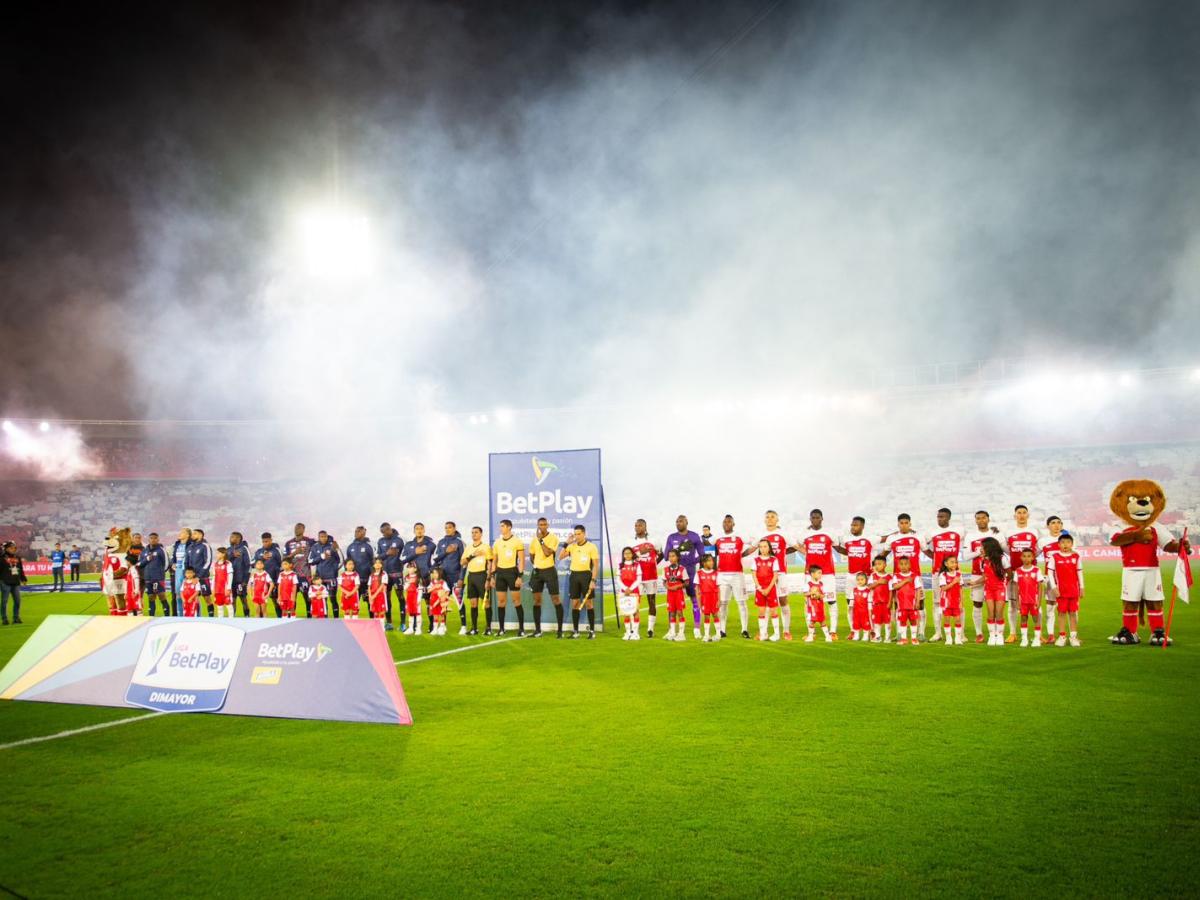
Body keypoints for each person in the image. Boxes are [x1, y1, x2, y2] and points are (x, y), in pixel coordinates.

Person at [744, 510, 795, 640]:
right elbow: (753, 548)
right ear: (764, 520)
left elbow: (795, 546)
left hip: (781, 572)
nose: (770, 519)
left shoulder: (784, 533)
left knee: (783, 600)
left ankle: (786, 631)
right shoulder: (761, 534)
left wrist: (786, 551)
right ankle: (764, 632)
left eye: (772, 517)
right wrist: (739, 555)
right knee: (765, 604)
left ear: (777, 519)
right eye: (767, 517)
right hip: (764, 575)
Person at [797, 510, 839, 639]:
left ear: (822, 519)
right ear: (810, 519)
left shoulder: (830, 533)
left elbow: (837, 546)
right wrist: (807, 553)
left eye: (817, 518)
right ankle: (812, 632)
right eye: (813, 518)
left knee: (831, 601)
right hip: (810, 574)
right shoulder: (804, 534)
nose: (815, 520)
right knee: (808, 602)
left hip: (827, 573)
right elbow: (798, 545)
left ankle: (832, 632)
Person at [965, 510, 1004, 643]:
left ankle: (998, 634)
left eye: (983, 518)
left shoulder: (996, 534)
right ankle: (979, 633)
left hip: (994, 576)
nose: (981, 520)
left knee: (996, 606)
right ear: (975, 520)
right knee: (977, 603)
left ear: (988, 519)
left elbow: (1003, 551)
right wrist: (979, 552)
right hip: (977, 573)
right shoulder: (970, 536)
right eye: (978, 518)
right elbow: (965, 556)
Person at [1004, 505, 1041, 643]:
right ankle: (1013, 633)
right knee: (1013, 605)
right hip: (1014, 572)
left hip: (1032, 574)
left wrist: (1029, 560)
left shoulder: (1035, 531)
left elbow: (1038, 550)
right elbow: (1007, 549)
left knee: (1036, 604)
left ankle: (1038, 634)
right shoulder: (1009, 532)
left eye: (1024, 512)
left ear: (1028, 515)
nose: (1021, 515)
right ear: (1015, 516)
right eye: (1018, 513)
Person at [925, 508, 963, 642]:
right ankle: (938, 632)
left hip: (954, 572)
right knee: (937, 603)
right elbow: (923, 546)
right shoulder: (931, 532)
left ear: (949, 518)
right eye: (938, 517)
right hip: (937, 572)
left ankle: (960, 634)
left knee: (958, 603)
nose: (940, 519)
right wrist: (934, 557)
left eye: (942, 517)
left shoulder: (959, 531)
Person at [664, 515, 704, 639]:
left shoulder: (694, 536)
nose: (678, 523)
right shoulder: (671, 537)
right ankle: (672, 631)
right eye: (677, 521)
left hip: (690, 572)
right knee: (672, 603)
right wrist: (677, 553)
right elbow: (666, 556)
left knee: (694, 601)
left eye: (681, 521)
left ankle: (697, 629)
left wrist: (693, 561)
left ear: (687, 522)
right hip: (675, 574)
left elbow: (702, 554)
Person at [559, 524, 600, 639]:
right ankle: (575, 631)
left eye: (579, 534)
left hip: (586, 576)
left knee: (589, 603)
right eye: (575, 534)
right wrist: (567, 543)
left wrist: (593, 580)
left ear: (584, 534)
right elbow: (560, 557)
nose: (576, 536)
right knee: (575, 604)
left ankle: (592, 631)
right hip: (574, 576)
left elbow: (596, 566)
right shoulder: (572, 546)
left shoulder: (591, 547)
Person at [714, 515, 749, 638]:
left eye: (729, 521)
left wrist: (742, 555)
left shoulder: (740, 536)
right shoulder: (717, 538)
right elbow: (711, 551)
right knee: (723, 603)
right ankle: (722, 630)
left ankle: (744, 629)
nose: (726, 523)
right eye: (724, 522)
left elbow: (755, 543)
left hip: (737, 574)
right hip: (722, 574)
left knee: (741, 602)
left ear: (733, 524)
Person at [526, 517, 562, 638]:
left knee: (556, 599)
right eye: (540, 524)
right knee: (537, 600)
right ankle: (537, 630)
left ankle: (560, 631)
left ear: (548, 525)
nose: (542, 526)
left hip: (549, 571)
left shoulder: (553, 538)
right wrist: (537, 564)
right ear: (537, 525)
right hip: (537, 572)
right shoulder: (533, 540)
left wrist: (541, 541)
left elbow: (547, 553)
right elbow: (531, 556)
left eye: (544, 524)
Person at [489, 519, 525, 636]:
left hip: (512, 573)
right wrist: (493, 577)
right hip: (500, 574)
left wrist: (520, 576)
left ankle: (521, 629)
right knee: (501, 602)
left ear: (509, 527)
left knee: (516, 601)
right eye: (500, 526)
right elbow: (494, 561)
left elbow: (521, 561)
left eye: (503, 526)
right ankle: (501, 629)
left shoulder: (517, 541)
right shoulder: (497, 542)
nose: (501, 528)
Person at [1047, 533, 1084, 646]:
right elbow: (1050, 572)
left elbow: (1079, 572)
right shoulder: (1055, 557)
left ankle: (1073, 637)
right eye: (1062, 542)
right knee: (1061, 613)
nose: (1065, 545)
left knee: (1073, 613)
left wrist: (1082, 587)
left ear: (1072, 544)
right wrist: (1054, 587)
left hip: (1073, 590)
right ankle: (1062, 636)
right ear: (1058, 544)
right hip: (1061, 591)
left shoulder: (1076, 557)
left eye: (1068, 542)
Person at [835, 516, 873, 619]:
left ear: (862, 526)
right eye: (852, 525)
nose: (853, 527)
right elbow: (840, 549)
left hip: (866, 576)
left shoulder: (870, 538)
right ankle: (853, 628)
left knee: (869, 602)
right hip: (851, 575)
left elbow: (885, 538)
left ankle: (869, 627)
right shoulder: (847, 539)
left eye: (855, 525)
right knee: (849, 600)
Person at [402, 523, 438, 631]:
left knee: (428, 601)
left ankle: (431, 625)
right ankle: (413, 626)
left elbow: (436, 559)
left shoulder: (431, 544)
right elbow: (403, 559)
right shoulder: (408, 545)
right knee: (413, 601)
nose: (419, 531)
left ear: (424, 530)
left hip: (426, 576)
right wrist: (415, 552)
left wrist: (431, 571)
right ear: (414, 531)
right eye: (417, 529)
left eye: (421, 529)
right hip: (413, 578)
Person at [974, 536, 1009, 646]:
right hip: (988, 590)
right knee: (990, 613)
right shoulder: (983, 560)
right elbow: (985, 576)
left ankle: (999, 635)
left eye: (982, 547)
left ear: (989, 547)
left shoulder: (1002, 558)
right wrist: (974, 583)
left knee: (999, 613)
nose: (981, 549)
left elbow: (1009, 573)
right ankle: (992, 635)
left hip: (1000, 589)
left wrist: (1004, 583)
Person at [433, 522, 467, 634]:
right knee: (443, 601)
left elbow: (464, 562)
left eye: (450, 527)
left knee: (459, 601)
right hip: (444, 577)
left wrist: (461, 578)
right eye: (446, 528)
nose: (448, 529)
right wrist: (446, 552)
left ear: (454, 528)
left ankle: (463, 626)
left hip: (456, 576)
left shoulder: (460, 542)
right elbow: (436, 559)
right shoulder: (441, 542)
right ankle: (443, 625)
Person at [632, 520, 661, 638]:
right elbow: (628, 556)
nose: (637, 527)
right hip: (637, 577)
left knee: (652, 602)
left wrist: (654, 564)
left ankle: (650, 629)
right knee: (635, 603)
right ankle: (634, 630)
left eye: (640, 525)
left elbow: (661, 554)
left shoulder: (654, 541)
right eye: (636, 526)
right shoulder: (630, 542)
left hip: (651, 576)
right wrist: (640, 553)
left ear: (645, 527)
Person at [461, 526, 491, 636]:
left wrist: (488, 578)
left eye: (476, 532)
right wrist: (472, 555)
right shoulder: (468, 548)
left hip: (482, 575)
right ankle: (474, 628)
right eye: (472, 532)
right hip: (471, 576)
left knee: (486, 603)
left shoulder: (486, 547)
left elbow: (490, 564)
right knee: (473, 604)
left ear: (481, 534)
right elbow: (462, 562)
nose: (474, 534)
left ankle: (488, 628)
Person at [1041, 515, 1066, 644]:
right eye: (1053, 523)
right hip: (1050, 580)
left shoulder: (1068, 540)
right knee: (1050, 607)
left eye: (1059, 523)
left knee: (1070, 609)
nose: (1056, 525)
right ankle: (1051, 634)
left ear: (1061, 525)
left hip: (1066, 580)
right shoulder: (1043, 541)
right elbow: (1031, 556)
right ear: (1048, 526)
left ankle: (1071, 634)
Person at [1013, 548, 1044, 647]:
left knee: (1036, 619)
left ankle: (1036, 639)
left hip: (1033, 600)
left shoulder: (1037, 570)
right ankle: (1024, 639)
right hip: (1023, 601)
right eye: (1024, 556)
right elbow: (1015, 588)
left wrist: (1039, 601)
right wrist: (1017, 601)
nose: (1026, 558)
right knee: (1023, 618)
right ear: (1021, 557)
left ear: (1033, 557)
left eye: (1029, 556)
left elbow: (1040, 587)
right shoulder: (1018, 571)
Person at [377, 523, 405, 630]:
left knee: (400, 597)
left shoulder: (399, 540)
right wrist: (387, 553)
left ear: (390, 529)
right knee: (387, 598)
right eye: (383, 532)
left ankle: (403, 623)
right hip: (385, 574)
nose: (385, 533)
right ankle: (389, 623)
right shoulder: (380, 541)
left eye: (386, 531)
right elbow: (378, 557)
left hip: (397, 573)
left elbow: (404, 555)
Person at [308, 531, 342, 618]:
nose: (324, 538)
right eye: (322, 536)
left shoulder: (332, 546)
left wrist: (334, 569)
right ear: (319, 537)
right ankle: (324, 618)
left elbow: (341, 561)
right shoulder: (314, 547)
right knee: (322, 599)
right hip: (320, 579)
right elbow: (310, 561)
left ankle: (336, 620)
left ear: (327, 537)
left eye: (325, 536)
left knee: (332, 598)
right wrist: (321, 557)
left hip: (331, 578)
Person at [889, 557, 922, 646]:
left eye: (906, 564)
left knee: (913, 621)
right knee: (902, 621)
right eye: (901, 564)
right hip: (901, 605)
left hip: (912, 605)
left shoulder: (915, 576)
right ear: (898, 566)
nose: (903, 566)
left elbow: (918, 590)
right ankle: (904, 639)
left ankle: (914, 638)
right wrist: (906, 580)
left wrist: (918, 602)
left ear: (910, 565)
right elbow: (895, 587)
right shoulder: (896, 576)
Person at [285, 524, 316, 617]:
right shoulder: (288, 543)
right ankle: (292, 618)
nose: (296, 529)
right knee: (292, 598)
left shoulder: (310, 541)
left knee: (307, 598)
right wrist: (294, 553)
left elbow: (322, 542)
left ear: (303, 529)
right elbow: (284, 559)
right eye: (295, 528)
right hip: (292, 575)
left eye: (299, 528)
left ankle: (309, 617)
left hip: (305, 575)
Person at [752, 540, 780, 642]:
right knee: (761, 611)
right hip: (760, 589)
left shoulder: (774, 560)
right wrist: (759, 587)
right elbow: (754, 575)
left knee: (773, 611)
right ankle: (763, 634)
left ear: (769, 548)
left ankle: (776, 634)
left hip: (771, 588)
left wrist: (768, 588)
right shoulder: (756, 560)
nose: (763, 549)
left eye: (765, 546)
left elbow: (775, 576)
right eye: (761, 547)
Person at [345, 527, 375, 619]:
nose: (356, 533)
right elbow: (348, 563)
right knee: (354, 601)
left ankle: (372, 621)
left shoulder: (369, 546)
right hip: (355, 582)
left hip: (366, 580)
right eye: (356, 531)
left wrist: (372, 577)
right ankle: (354, 621)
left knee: (369, 601)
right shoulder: (350, 547)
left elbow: (373, 561)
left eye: (359, 531)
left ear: (364, 533)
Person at [252, 533, 284, 617]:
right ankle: (261, 620)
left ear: (271, 540)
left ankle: (279, 618)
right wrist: (262, 558)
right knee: (261, 602)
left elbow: (282, 564)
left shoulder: (276, 550)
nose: (265, 543)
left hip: (273, 580)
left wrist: (278, 581)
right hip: (261, 583)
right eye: (263, 542)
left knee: (275, 600)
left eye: (267, 541)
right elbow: (252, 563)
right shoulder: (259, 552)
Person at [185, 528, 214, 617]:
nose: (192, 535)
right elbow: (186, 562)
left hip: (202, 577)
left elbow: (208, 561)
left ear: (201, 535)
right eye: (192, 534)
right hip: (192, 578)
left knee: (207, 598)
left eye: (195, 534)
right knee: (193, 598)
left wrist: (199, 576)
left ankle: (211, 617)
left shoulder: (205, 546)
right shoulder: (189, 547)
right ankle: (197, 616)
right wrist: (188, 575)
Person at [616, 546, 642, 641]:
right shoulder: (620, 565)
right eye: (625, 553)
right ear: (623, 555)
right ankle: (627, 632)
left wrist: (630, 589)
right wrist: (625, 588)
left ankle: (635, 633)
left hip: (634, 590)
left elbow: (639, 579)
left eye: (629, 553)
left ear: (632, 554)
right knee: (626, 612)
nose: (627, 555)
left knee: (635, 611)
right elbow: (618, 579)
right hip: (624, 591)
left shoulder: (637, 565)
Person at [662, 549, 688, 642]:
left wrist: (678, 586)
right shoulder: (665, 569)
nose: (671, 558)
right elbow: (664, 582)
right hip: (670, 594)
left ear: (678, 557)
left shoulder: (682, 569)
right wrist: (668, 587)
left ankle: (681, 634)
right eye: (670, 556)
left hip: (678, 594)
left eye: (673, 556)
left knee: (679, 613)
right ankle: (673, 632)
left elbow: (687, 582)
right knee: (672, 613)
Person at [937, 557, 965, 645]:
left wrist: (961, 602)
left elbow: (961, 589)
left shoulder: (959, 574)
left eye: (955, 562)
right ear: (946, 564)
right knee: (947, 620)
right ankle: (948, 639)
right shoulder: (943, 575)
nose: (954, 564)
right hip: (946, 601)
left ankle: (957, 638)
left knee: (957, 620)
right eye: (952, 562)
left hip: (956, 601)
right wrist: (953, 582)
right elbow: (943, 588)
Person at [142, 533, 169, 616]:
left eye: (155, 538)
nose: (153, 539)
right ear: (148, 539)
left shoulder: (161, 550)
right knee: (150, 597)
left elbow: (167, 564)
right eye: (151, 538)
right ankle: (151, 616)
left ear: (158, 539)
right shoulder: (145, 551)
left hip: (158, 578)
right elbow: (142, 562)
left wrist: (160, 573)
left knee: (161, 596)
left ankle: (167, 616)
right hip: (148, 578)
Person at [227, 531, 253, 617]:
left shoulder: (244, 549)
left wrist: (245, 580)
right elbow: (226, 562)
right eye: (230, 537)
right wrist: (232, 555)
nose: (230, 539)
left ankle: (247, 616)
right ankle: (232, 617)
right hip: (231, 580)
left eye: (232, 537)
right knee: (232, 599)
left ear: (238, 538)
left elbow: (249, 565)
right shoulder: (229, 550)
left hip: (241, 579)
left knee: (243, 599)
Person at [1, 541, 27, 625]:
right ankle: (4, 618)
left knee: (17, 601)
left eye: (14, 548)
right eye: (11, 548)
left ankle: (16, 618)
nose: (13, 549)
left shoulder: (17, 557)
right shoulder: (1, 558)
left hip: (15, 582)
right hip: (5, 582)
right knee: (4, 601)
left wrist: (23, 578)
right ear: (6, 548)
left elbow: (21, 569)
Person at [867, 555, 892, 643]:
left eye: (879, 564)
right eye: (876, 564)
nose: (877, 566)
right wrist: (878, 582)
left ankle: (887, 638)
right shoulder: (873, 576)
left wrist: (890, 602)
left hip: (886, 603)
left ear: (885, 564)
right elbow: (869, 587)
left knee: (887, 621)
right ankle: (878, 637)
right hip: (876, 603)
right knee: (877, 621)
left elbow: (891, 591)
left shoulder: (889, 577)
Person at [696, 554, 721, 642]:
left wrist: (719, 600)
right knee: (706, 615)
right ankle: (707, 635)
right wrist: (698, 602)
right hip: (704, 597)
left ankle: (718, 634)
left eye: (712, 560)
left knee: (715, 614)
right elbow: (697, 589)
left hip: (713, 597)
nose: (712, 562)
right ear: (704, 563)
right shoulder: (699, 573)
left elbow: (718, 587)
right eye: (709, 560)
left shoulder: (716, 573)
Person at [804, 564, 831, 643]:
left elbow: (823, 595)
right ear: (812, 574)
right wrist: (812, 592)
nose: (820, 575)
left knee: (822, 621)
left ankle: (827, 636)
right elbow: (805, 594)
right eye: (818, 573)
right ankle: (810, 636)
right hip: (812, 607)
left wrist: (819, 595)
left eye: (821, 573)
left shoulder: (821, 584)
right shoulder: (808, 584)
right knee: (812, 622)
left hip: (820, 606)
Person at [169, 528, 192, 616]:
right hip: (178, 571)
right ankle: (180, 615)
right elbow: (173, 557)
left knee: (190, 594)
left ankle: (195, 614)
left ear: (187, 535)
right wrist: (173, 563)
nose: (180, 534)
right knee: (178, 593)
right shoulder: (177, 544)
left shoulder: (191, 545)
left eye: (182, 533)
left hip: (187, 571)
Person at [211, 547, 235, 618]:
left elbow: (230, 576)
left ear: (223, 554)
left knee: (229, 605)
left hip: (225, 588)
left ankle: (231, 621)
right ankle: (220, 620)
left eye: (218, 553)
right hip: (217, 589)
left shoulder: (228, 563)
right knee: (219, 606)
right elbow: (214, 577)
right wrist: (213, 588)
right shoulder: (215, 564)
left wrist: (228, 588)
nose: (217, 555)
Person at [849, 571, 872, 641]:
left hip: (865, 612)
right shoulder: (854, 590)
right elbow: (851, 601)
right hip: (856, 612)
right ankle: (856, 635)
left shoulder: (868, 591)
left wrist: (870, 610)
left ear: (866, 580)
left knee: (865, 623)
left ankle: (865, 635)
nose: (860, 581)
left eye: (862, 579)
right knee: (856, 623)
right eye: (858, 580)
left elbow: (869, 602)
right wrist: (850, 608)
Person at [428, 568, 451, 635]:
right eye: (433, 573)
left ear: (440, 574)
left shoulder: (443, 582)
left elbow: (447, 591)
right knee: (435, 614)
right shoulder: (432, 582)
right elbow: (428, 590)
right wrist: (435, 587)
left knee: (442, 614)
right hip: (433, 600)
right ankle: (435, 628)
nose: (434, 575)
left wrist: (443, 597)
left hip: (441, 602)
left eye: (436, 573)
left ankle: (442, 627)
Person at [402, 562, 422, 635]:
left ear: (415, 569)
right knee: (410, 613)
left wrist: (419, 599)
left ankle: (418, 629)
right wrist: (409, 583)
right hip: (409, 596)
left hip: (416, 597)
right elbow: (404, 588)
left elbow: (420, 588)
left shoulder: (418, 577)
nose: (410, 569)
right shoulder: (406, 577)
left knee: (418, 613)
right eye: (409, 567)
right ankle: (410, 628)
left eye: (412, 567)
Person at [368, 558, 389, 623]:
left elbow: (382, 585)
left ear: (381, 565)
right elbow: (369, 586)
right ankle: (377, 629)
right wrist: (370, 597)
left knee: (381, 613)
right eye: (376, 563)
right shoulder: (371, 575)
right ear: (373, 565)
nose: (377, 564)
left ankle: (382, 630)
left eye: (379, 563)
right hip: (373, 596)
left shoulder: (384, 574)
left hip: (381, 596)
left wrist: (374, 595)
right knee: (376, 613)